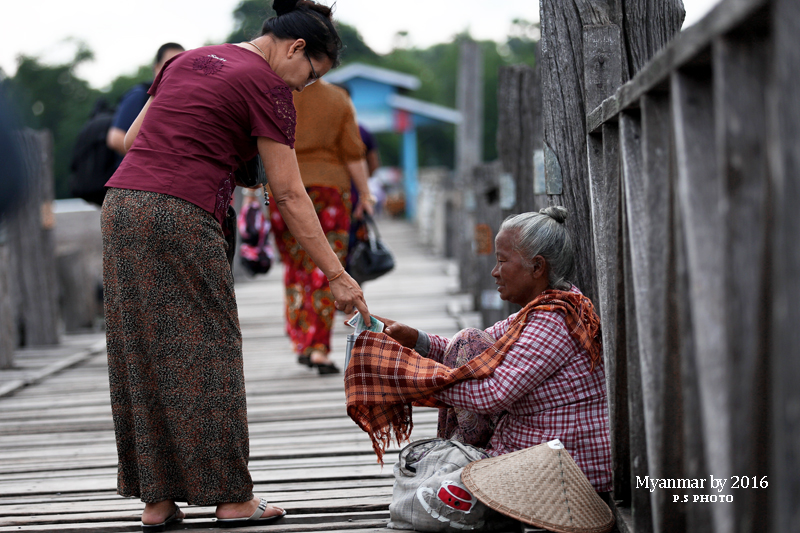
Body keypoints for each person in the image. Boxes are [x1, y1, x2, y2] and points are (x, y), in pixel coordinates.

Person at [101, 0, 371, 530]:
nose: (302, 88)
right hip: (180, 211)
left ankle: (156, 502)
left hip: (121, 207)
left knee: (138, 347)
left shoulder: (187, 60)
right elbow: (290, 195)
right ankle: (231, 498)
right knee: (212, 346)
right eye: (309, 76)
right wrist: (338, 275)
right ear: (296, 49)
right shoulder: (268, 85)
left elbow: (134, 141)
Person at [346, 207, 612, 492]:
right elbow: (477, 346)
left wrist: (405, 377)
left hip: (563, 472)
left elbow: (491, 395)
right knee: (467, 341)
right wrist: (414, 339)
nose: (495, 272)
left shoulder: (553, 321)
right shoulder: (549, 308)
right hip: (543, 456)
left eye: (501, 261)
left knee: (427, 490)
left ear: (537, 267)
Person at [269, 77, 373, 374]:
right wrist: (365, 194)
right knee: (328, 269)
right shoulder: (338, 98)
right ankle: (318, 348)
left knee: (296, 267)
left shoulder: (275, 95)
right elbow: (354, 153)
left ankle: (302, 340)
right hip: (329, 190)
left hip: (282, 188)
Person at [106, 42, 185, 157]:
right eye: (170, 65)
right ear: (157, 68)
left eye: (181, 66)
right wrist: (155, 159)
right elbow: (115, 138)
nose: (176, 71)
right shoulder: (139, 95)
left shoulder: (180, 100)